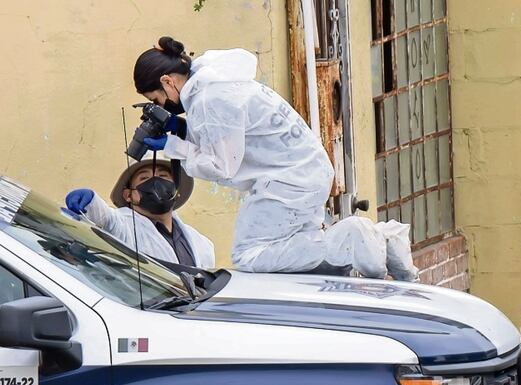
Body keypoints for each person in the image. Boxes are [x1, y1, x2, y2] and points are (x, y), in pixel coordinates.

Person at [132, 36, 418, 281]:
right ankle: (385, 242)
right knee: (292, 252)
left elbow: (222, 165)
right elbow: (233, 137)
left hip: (288, 180)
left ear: (167, 81)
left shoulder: (210, 97)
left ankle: (355, 239)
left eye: (157, 99)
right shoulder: (217, 80)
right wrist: (183, 129)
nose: (163, 106)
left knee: (250, 255)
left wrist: (173, 145)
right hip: (302, 172)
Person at [64, 153, 214, 269]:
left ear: (176, 190)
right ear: (128, 195)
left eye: (163, 176)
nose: (156, 183)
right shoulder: (126, 227)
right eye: (144, 178)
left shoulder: (202, 244)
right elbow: (107, 219)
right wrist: (91, 202)